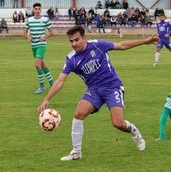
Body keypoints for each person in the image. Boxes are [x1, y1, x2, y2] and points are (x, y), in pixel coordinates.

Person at [37, 25, 160, 161]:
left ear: (84, 38)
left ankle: (134, 131)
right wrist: (47, 99)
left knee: (118, 123)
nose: (74, 44)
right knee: (78, 113)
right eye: (71, 41)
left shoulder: (97, 45)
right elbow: (60, 80)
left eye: (77, 40)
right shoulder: (71, 59)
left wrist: (144, 41)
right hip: (94, 89)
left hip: (112, 86)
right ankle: (76, 152)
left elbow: (121, 45)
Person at [24, 3, 54, 94]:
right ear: (33, 10)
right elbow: (25, 32)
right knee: (42, 65)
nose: (37, 10)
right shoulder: (29, 20)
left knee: (37, 65)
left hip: (41, 45)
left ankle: (41, 86)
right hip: (33, 46)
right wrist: (28, 37)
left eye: (39, 9)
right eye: (35, 9)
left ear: (41, 10)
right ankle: (52, 83)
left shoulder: (45, 19)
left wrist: (44, 37)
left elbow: (51, 32)